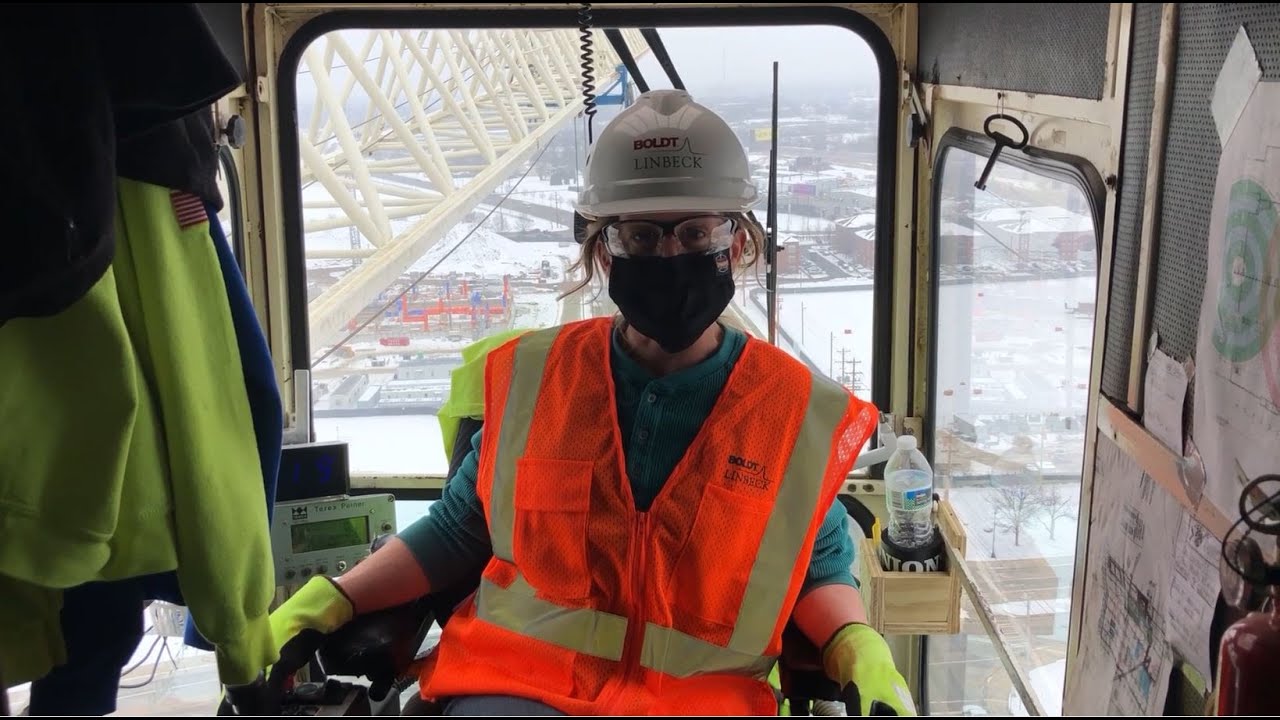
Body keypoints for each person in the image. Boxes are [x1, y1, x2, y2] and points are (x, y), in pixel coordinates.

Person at [262, 90, 915, 716]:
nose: (670, 254)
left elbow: (817, 565)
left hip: (697, 702)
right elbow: (458, 529)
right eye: (642, 236)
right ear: (604, 250)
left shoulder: (789, 411)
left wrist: (858, 646)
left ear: (736, 243)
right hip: (517, 686)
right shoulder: (537, 380)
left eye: (694, 233)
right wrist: (332, 599)